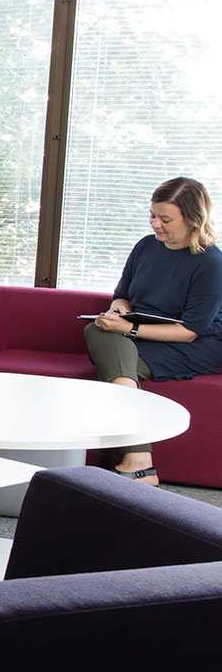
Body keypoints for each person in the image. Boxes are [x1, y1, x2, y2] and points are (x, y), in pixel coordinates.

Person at [84, 177, 222, 485]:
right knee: (98, 330)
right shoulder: (146, 246)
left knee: (110, 345)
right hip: (142, 330)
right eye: (152, 215)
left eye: (165, 218)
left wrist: (128, 329)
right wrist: (118, 311)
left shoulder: (211, 262)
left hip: (195, 344)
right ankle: (140, 461)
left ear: (192, 218)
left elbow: (190, 330)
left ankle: (139, 458)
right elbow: (122, 294)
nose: (155, 224)